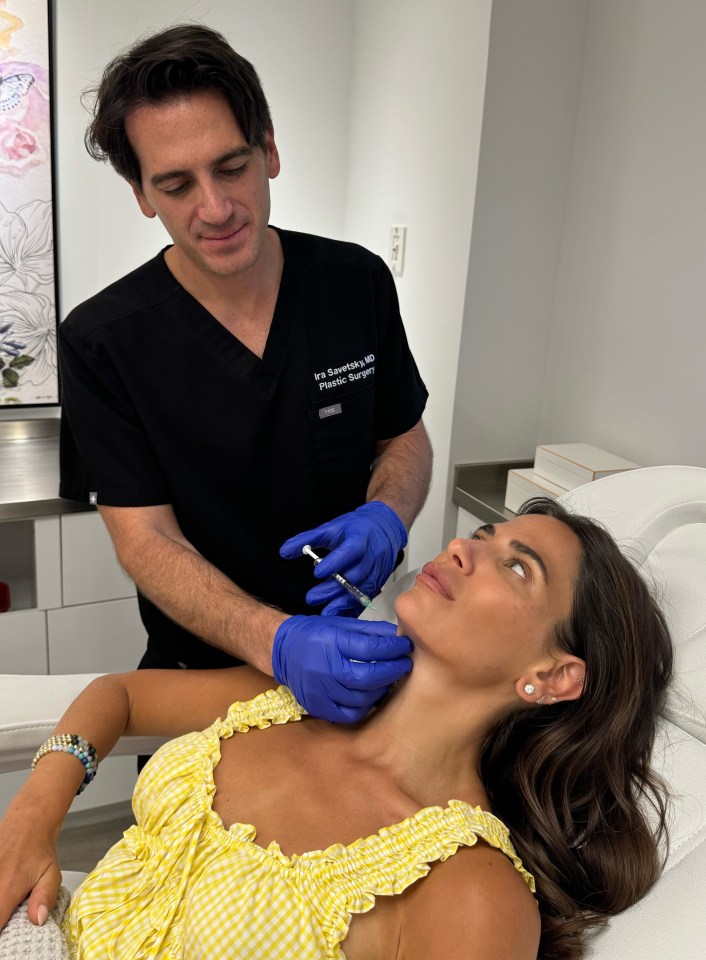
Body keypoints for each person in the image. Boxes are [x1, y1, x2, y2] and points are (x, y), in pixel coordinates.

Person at [0, 499, 673, 960]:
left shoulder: (469, 891)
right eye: (484, 536)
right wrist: (32, 816)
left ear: (552, 677)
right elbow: (117, 695)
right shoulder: (296, 697)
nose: (466, 548)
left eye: (517, 566)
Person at [58, 23, 432, 722]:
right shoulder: (102, 341)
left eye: (231, 166)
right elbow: (144, 538)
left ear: (269, 151)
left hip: (357, 664)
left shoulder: (356, 282)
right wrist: (278, 641)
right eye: (176, 184)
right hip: (198, 677)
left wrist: (389, 512)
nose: (216, 208)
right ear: (143, 195)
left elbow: (403, 438)